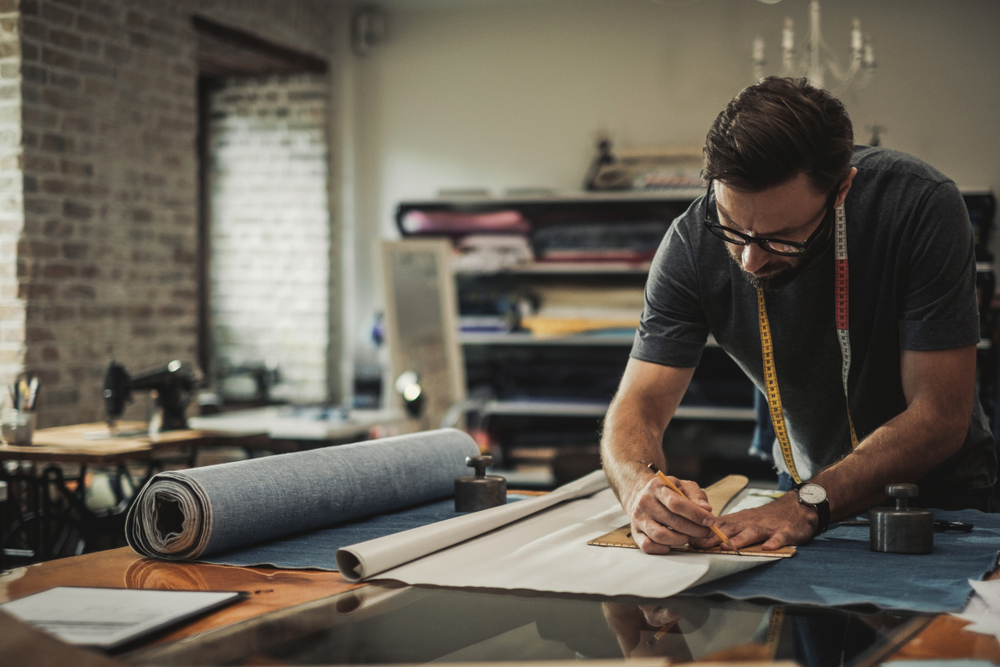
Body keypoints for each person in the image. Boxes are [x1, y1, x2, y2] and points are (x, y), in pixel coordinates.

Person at [600, 76, 997, 554]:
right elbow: (637, 405)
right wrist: (639, 485)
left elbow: (939, 416)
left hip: (938, 498)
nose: (750, 260)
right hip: (800, 494)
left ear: (842, 190)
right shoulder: (689, 242)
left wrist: (805, 505)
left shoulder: (919, 207)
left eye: (781, 237)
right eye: (731, 228)